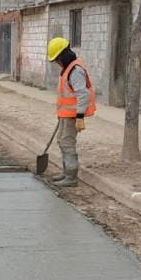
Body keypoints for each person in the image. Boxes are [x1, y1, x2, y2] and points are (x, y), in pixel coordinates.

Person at [47, 37, 97, 187]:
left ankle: (71, 177)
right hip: (65, 115)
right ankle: (66, 172)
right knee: (61, 140)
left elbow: (83, 94)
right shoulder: (68, 69)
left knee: (67, 143)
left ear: (63, 55)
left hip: (74, 115)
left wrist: (80, 117)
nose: (56, 62)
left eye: (57, 59)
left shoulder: (75, 71)